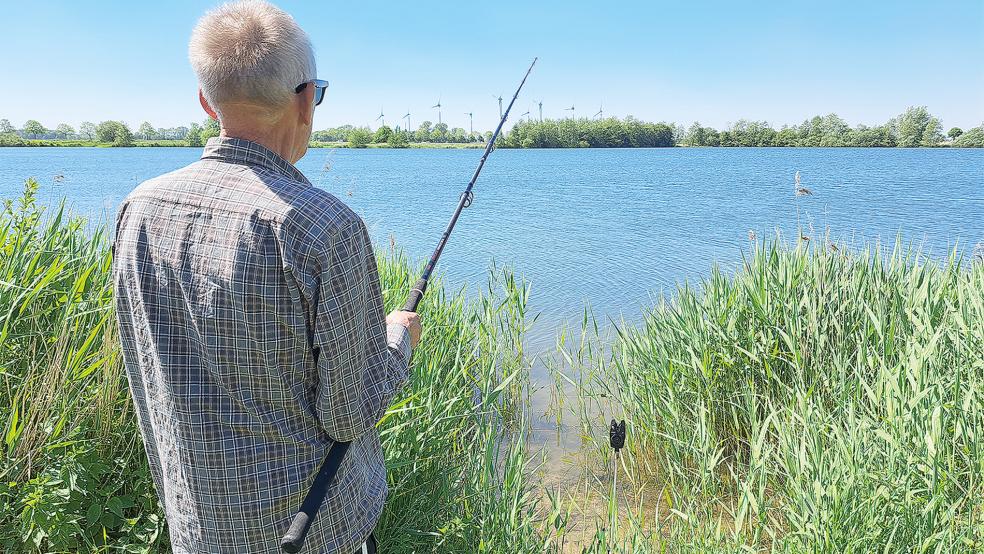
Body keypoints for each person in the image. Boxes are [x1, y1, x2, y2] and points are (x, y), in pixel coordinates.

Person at [112, 1, 421, 552]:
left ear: (206, 101)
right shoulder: (327, 229)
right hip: (317, 533)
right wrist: (398, 340)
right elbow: (349, 413)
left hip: (199, 527)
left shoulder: (138, 210)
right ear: (306, 98)